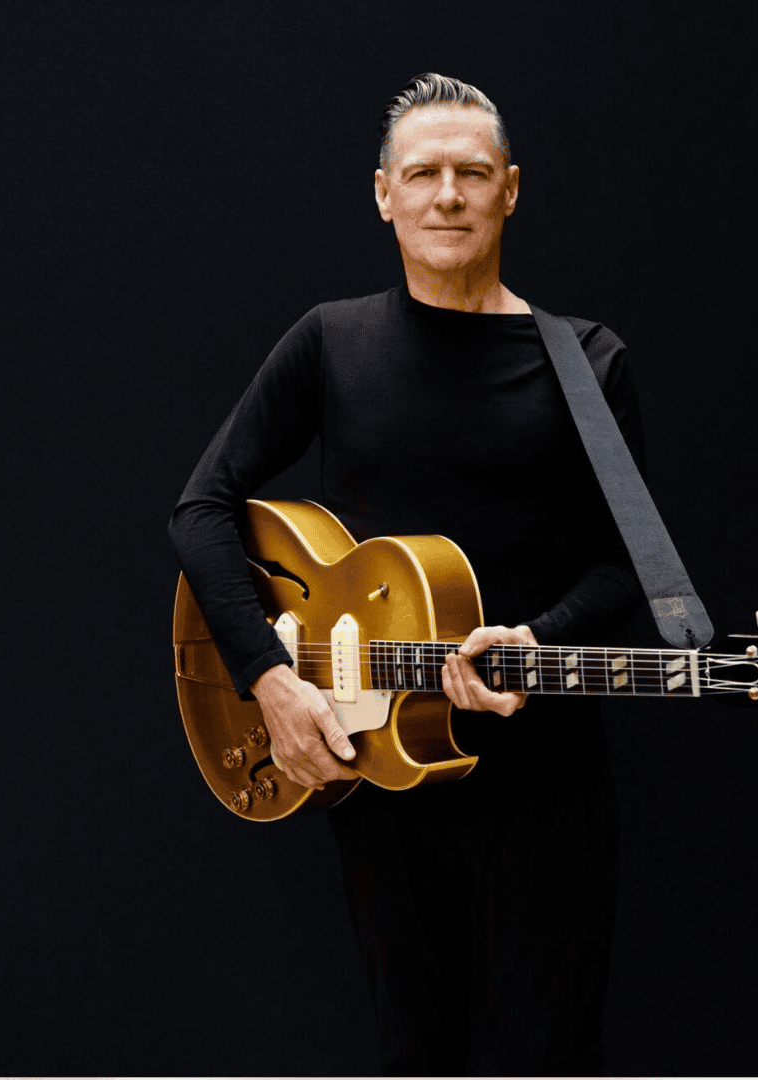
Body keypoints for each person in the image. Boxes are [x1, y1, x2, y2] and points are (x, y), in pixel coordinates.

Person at [169, 72, 645, 1075]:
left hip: (547, 791)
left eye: (473, 174)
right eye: (422, 174)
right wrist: (270, 678)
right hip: (382, 784)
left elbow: (630, 574)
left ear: (510, 189)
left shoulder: (587, 361)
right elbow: (200, 511)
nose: (448, 196)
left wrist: (538, 640)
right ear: (383, 194)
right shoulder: (332, 341)